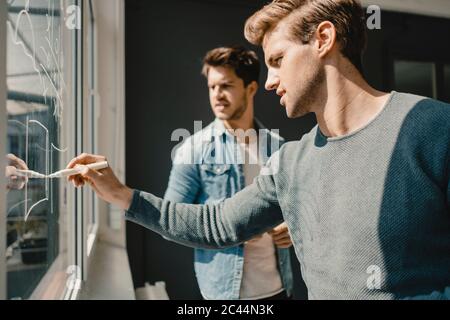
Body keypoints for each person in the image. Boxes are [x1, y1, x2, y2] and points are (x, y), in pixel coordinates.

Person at [67, 0, 450, 299]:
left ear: (323, 39)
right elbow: (215, 224)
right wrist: (120, 194)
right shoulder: (290, 162)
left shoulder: (433, 128)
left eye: (278, 61)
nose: (269, 82)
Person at [164, 46, 293, 300]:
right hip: (224, 293)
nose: (217, 95)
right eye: (212, 87)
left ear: (251, 88)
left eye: (226, 86)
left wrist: (291, 226)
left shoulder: (278, 147)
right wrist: (228, 228)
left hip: (280, 289)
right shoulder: (193, 149)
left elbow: (297, 207)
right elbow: (170, 223)